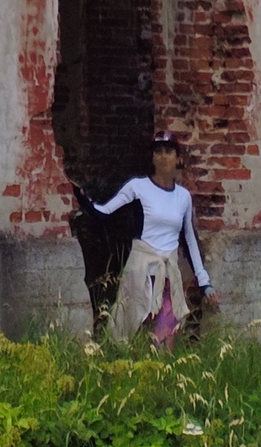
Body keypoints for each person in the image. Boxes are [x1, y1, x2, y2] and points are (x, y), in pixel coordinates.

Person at [85, 133, 217, 343]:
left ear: (177, 158)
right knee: (136, 333)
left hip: (168, 276)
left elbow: (189, 240)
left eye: (168, 151)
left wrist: (204, 282)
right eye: (158, 151)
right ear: (152, 157)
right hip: (142, 273)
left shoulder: (183, 197)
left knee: (165, 335)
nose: (163, 157)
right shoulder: (138, 187)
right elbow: (104, 212)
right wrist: (83, 200)